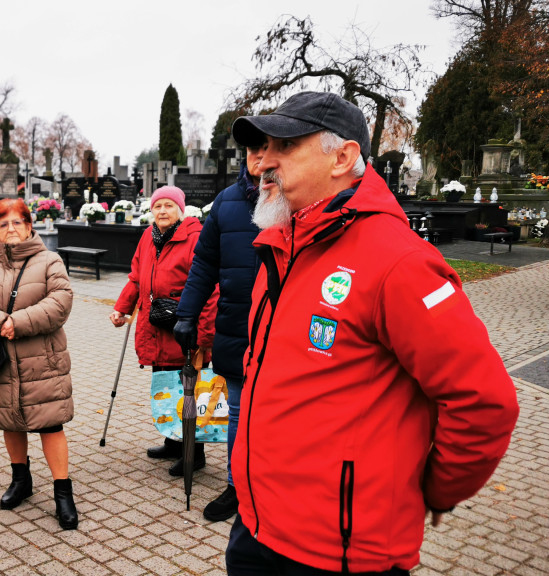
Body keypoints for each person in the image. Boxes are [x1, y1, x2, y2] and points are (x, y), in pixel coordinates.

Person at [225, 91, 520, 574]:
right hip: (257, 526)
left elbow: (483, 401)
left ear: (342, 158)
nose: (263, 164)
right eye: (264, 148)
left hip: (340, 551)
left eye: (285, 147)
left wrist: (432, 490)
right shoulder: (282, 243)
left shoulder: (398, 262)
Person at [0, 199, 78, 530]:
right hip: (0, 363)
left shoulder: (49, 260)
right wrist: (0, 321)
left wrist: (18, 322)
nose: (11, 228)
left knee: (50, 423)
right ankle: (21, 479)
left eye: (17, 222)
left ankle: (62, 492)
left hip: (43, 359)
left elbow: (60, 302)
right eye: (3, 224)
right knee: (10, 419)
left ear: (29, 226)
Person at [172, 144, 263, 522]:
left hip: (286, 333)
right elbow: (205, 263)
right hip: (237, 328)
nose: (260, 156)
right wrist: (187, 314)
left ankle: (272, 488)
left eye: (269, 147)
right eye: (253, 149)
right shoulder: (227, 203)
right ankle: (236, 486)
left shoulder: (299, 198)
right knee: (239, 415)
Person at [109, 186, 218, 477]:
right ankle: (172, 440)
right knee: (166, 388)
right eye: (158, 206)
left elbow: (210, 289)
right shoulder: (148, 237)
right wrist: (122, 308)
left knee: (189, 392)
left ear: (181, 211)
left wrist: (205, 335)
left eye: (169, 206)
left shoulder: (195, 238)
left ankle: (194, 454)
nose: (162, 211)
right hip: (156, 328)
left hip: (184, 331)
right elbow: (136, 277)